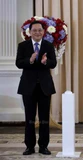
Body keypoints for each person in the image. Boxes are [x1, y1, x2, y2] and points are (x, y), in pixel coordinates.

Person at [15, 21, 57, 155]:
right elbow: (18, 63)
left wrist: (46, 62)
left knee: (44, 118)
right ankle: (29, 146)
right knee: (29, 118)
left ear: (43, 32)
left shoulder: (49, 46)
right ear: (30, 32)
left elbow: (54, 63)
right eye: (34, 30)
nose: (37, 32)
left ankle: (44, 146)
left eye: (40, 30)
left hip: (44, 87)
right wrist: (30, 60)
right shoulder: (23, 46)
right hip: (28, 87)